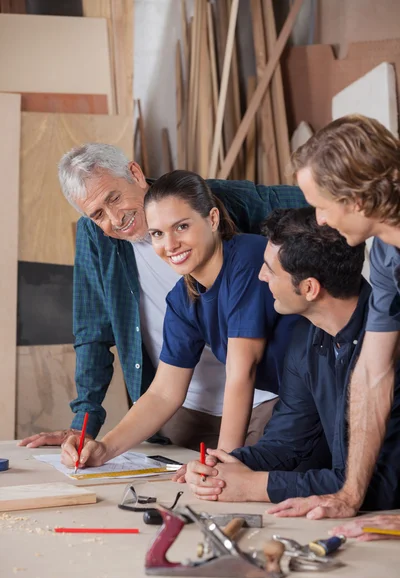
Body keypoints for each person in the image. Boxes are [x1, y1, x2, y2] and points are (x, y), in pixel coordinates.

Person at [18, 144, 307, 451]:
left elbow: (320, 201)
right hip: (186, 405)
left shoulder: (240, 249)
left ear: (135, 173)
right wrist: (90, 433)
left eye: (114, 198)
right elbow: (96, 336)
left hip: (268, 399)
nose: (116, 219)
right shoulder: (181, 299)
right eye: (98, 214)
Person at [184, 207, 400, 513]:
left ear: (309, 288)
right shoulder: (306, 337)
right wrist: (222, 466)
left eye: (270, 271)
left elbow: (382, 485)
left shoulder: (387, 345)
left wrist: (253, 487)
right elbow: (288, 443)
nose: (260, 276)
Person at [266, 114, 400, 526]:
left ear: (356, 200)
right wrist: (349, 495)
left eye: (322, 206)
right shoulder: (385, 256)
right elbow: (373, 373)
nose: (320, 220)